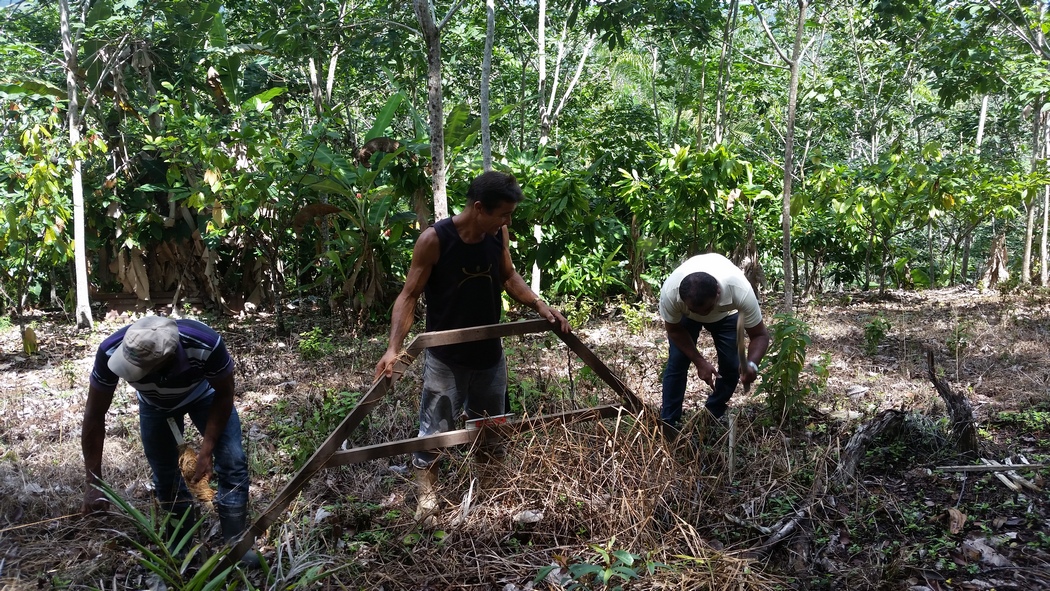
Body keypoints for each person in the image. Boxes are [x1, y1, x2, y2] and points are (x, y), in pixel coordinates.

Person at [374, 171, 570, 472]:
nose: (508, 222)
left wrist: (539, 304)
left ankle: (491, 491)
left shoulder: (497, 236)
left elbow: (508, 276)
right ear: (479, 208)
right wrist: (393, 349)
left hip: (490, 357)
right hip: (446, 359)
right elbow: (409, 295)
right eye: (503, 215)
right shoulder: (435, 240)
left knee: (492, 433)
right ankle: (428, 497)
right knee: (434, 436)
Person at [81, 315, 260, 567]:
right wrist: (93, 484)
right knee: (165, 475)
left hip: (204, 395)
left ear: (168, 359)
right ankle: (181, 543)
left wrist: (206, 452)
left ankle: (235, 544)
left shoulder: (206, 344)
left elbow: (225, 393)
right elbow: (94, 416)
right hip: (153, 404)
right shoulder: (110, 349)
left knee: (232, 461)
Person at [658, 253, 770, 428]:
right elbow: (674, 330)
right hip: (687, 319)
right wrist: (700, 362)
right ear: (684, 301)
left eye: (708, 308)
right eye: (697, 310)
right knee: (677, 362)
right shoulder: (671, 293)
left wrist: (752, 364)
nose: (704, 315)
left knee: (731, 367)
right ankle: (669, 423)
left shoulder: (739, 290)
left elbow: (760, 335)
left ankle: (711, 416)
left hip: (727, 316)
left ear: (718, 292)